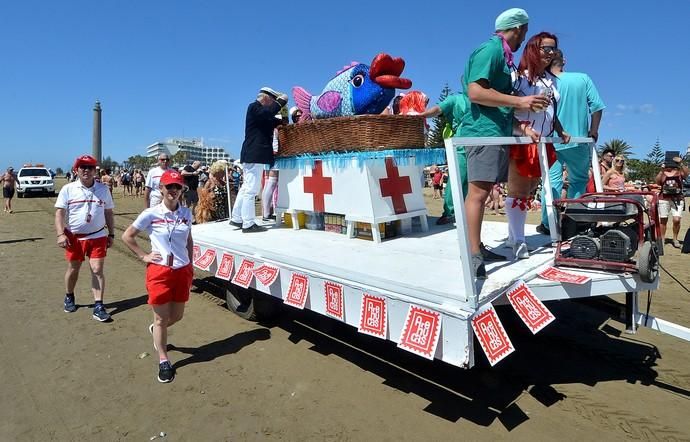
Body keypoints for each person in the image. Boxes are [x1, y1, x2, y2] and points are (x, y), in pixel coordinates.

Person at [459, 7, 549, 278]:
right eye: (525, 31)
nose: (524, 38)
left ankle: (476, 246)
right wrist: (520, 101)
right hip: (482, 132)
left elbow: (497, 105)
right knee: (478, 193)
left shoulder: (504, 56)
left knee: (483, 192)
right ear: (519, 28)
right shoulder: (491, 50)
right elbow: (475, 92)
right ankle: (472, 253)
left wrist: (521, 126)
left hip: (496, 131)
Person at [121, 170, 194, 383]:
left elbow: (189, 239)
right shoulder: (151, 214)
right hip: (160, 271)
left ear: (182, 190)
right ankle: (163, 359)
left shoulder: (186, 214)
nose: (173, 190)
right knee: (161, 318)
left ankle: (156, 331)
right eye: (169, 186)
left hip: (182, 270)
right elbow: (127, 236)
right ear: (161, 189)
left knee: (177, 316)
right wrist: (144, 255)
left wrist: (191, 263)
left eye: (177, 187)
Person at [506, 32, 570, 259]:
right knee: (519, 190)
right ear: (534, 48)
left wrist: (561, 130)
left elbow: (550, 110)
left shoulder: (551, 80)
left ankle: (514, 236)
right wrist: (523, 128)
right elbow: (505, 108)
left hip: (543, 141)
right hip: (522, 140)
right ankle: (519, 241)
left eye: (553, 49)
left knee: (531, 188)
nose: (551, 53)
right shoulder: (517, 76)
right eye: (546, 48)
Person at [537, 48, 606, 234]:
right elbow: (597, 107)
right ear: (564, 60)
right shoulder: (582, 79)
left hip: (550, 138)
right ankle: (575, 219)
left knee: (551, 183)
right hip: (579, 139)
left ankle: (548, 222)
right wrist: (594, 130)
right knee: (578, 180)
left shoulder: (544, 82)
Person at [54, 155, 115, 322]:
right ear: (77, 170)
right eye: (82, 167)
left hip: (98, 236)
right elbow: (59, 214)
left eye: (90, 167)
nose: (86, 170)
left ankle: (98, 305)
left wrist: (111, 234)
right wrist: (60, 234)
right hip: (74, 237)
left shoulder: (103, 189)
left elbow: (108, 212)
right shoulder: (68, 189)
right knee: (74, 268)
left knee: (97, 270)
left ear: (95, 170)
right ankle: (69, 296)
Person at [230, 87, 288, 233]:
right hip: (254, 154)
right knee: (251, 190)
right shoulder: (254, 107)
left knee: (246, 188)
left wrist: (284, 112)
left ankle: (237, 218)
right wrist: (281, 102)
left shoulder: (262, 114)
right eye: (272, 101)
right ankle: (248, 223)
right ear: (266, 98)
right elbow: (268, 113)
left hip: (254, 155)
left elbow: (277, 121)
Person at [419, 93, 471, 225]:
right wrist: (422, 114)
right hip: (461, 144)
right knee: (458, 178)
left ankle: (468, 211)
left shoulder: (486, 96)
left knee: (475, 182)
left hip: (482, 142)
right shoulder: (456, 98)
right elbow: (437, 109)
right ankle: (450, 212)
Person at [655, 156, 688, 248]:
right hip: (664, 198)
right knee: (663, 219)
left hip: (677, 199)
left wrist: (681, 163)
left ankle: (675, 239)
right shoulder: (663, 172)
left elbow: (686, 174)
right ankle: (662, 238)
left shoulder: (679, 172)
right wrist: (662, 171)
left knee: (677, 220)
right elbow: (658, 182)